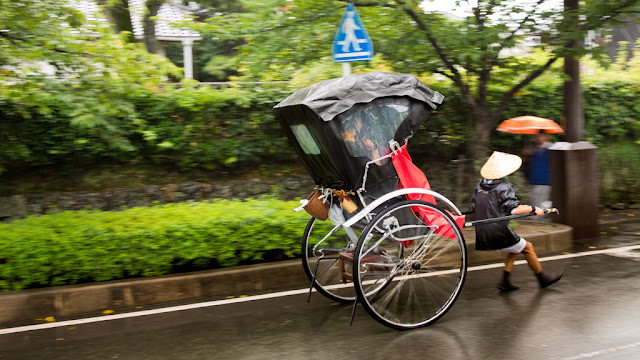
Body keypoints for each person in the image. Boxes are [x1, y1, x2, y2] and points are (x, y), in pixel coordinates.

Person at [470, 151, 563, 292]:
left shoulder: (479, 186)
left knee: (516, 247)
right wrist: (534, 208)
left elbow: (473, 207)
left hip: (482, 232)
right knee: (528, 247)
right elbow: (513, 210)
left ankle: (505, 281)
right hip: (497, 232)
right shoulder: (504, 186)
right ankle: (542, 279)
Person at [526, 130, 553, 210]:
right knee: (534, 200)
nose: (539, 138)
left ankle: (538, 218)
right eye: (537, 136)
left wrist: (533, 152)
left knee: (541, 202)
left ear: (546, 137)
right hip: (534, 179)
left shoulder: (549, 148)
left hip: (544, 180)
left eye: (541, 136)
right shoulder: (536, 149)